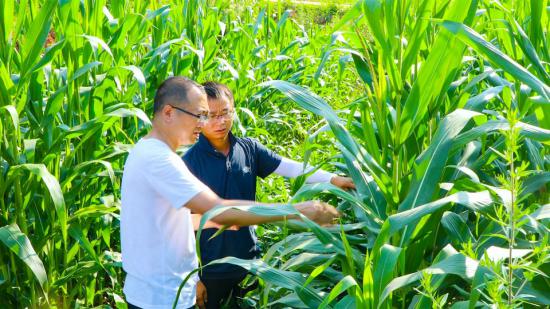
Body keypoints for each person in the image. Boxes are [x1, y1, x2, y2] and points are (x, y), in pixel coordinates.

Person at [120, 77, 339, 309]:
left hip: (162, 292)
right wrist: (299, 211)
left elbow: (170, 222)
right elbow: (220, 210)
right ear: (168, 112)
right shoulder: (160, 160)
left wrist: (214, 222)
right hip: (162, 298)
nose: (204, 123)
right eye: (200, 115)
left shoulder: (149, 152)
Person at [183, 81, 355, 309]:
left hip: (250, 263)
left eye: (225, 113)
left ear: (234, 110)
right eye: (211, 115)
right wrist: (193, 279)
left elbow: (291, 167)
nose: (220, 121)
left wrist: (333, 179)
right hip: (210, 271)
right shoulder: (187, 163)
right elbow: (180, 227)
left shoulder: (249, 149)